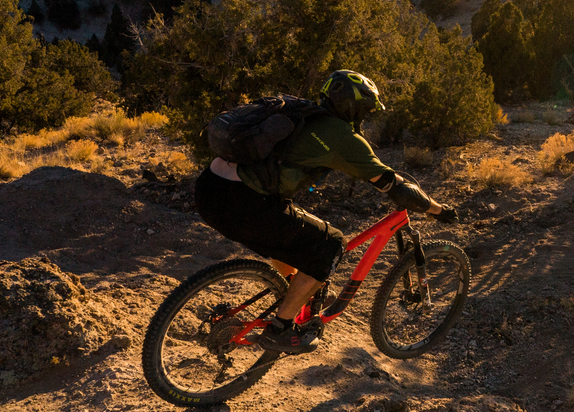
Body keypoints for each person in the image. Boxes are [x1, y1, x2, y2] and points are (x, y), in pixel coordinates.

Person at [193, 70, 456, 354]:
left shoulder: (302, 112)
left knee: (291, 231)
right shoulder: (342, 136)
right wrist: (438, 210)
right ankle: (281, 329)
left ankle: (297, 289)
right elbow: (396, 188)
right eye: (365, 110)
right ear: (353, 108)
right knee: (331, 244)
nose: (365, 117)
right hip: (242, 203)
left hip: (209, 190)